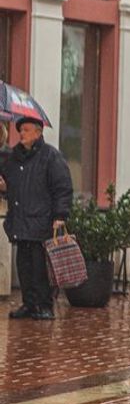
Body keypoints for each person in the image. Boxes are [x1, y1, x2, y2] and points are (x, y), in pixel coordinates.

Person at [0, 118, 73, 320]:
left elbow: (62, 187)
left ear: (38, 133)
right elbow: (9, 182)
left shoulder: (50, 156)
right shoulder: (14, 157)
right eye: (20, 130)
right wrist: (5, 188)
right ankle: (29, 304)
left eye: (26, 130)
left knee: (40, 266)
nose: (21, 133)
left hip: (41, 221)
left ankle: (45, 305)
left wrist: (60, 215)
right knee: (24, 265)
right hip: (20, 221)